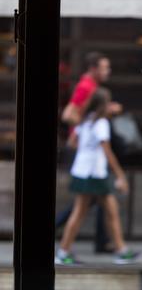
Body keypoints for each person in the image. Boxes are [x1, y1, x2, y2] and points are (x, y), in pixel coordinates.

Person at [55, 88, 140, 266]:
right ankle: (64, 252)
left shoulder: (85, 120)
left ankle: (120, 250)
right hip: (94, 173)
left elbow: (72, 142)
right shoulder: (101, 123)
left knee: (105, 210)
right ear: (103, 105)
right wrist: (120, 175)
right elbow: (107, 151)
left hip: (82, 170)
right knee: (88, 212)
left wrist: (86, 149)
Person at [57, 51, 123, 252]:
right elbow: (69, 114)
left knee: (93, 202)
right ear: (93, 68)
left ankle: (105, 243)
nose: (108, 71)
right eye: (104, 67)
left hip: (91, 155)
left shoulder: (93, 88)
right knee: (85, 205)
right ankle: (109, 246)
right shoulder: (86, 86)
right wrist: (87, 126)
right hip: (88, 153)